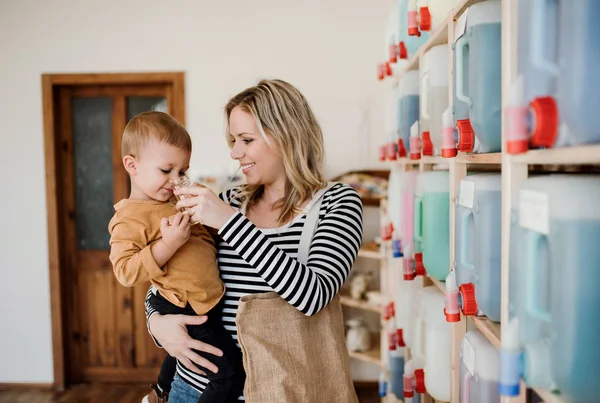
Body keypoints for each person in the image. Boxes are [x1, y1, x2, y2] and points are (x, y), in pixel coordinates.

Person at [145, 79, 364, 402]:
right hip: (196, 388)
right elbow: (168, 278)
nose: (235, 153)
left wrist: (230, 222)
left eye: (246, 139)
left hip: (285, 393)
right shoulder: (229, 199)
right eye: (233, 140)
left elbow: (313, 294)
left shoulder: (337, 203)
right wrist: (157, 323)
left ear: (287, 134)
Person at [108, 111, 244, 403]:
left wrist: (210, 216)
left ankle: (158, 392)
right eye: (166, 170)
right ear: (132, 165)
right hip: (181, 303)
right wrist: (168, 245)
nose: (175, 181)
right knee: (229, 372)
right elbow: (125, 270)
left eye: (182, 172)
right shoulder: (129, 217)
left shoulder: (173, 203)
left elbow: (204, 245)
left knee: (185, 351)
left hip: (201, 298)